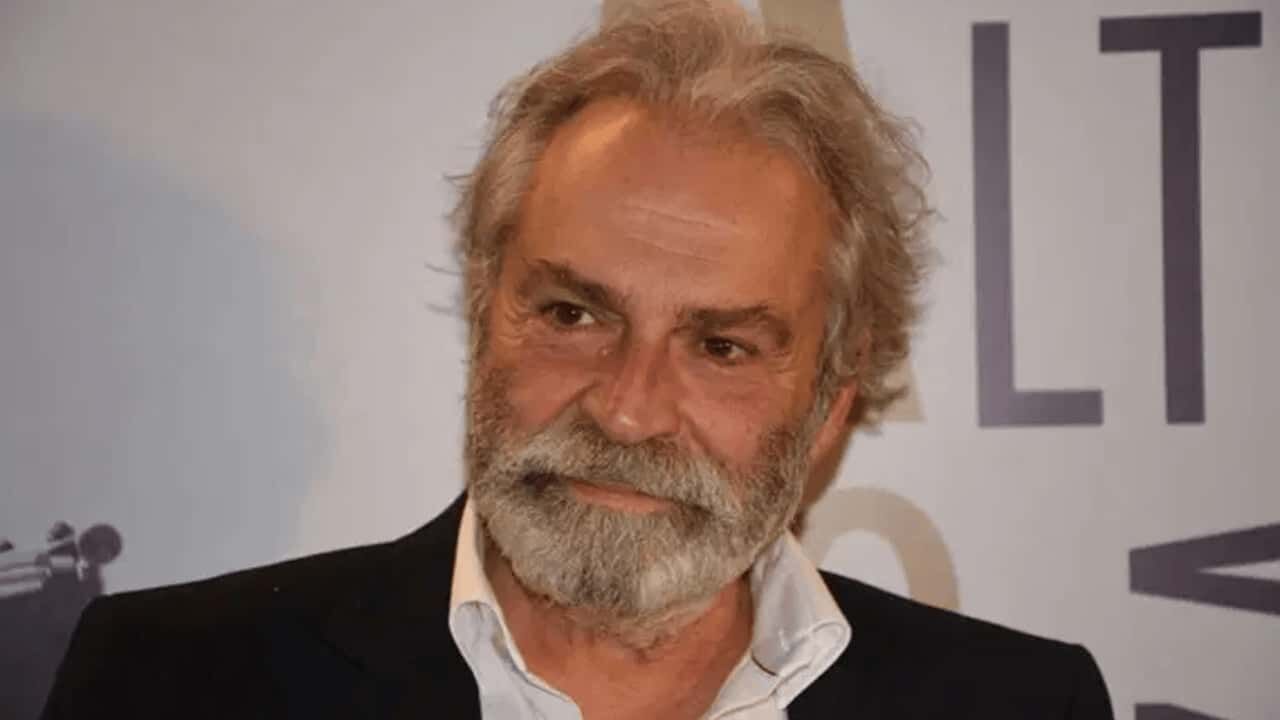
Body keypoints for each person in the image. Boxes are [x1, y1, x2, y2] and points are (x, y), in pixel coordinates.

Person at [41, 2, 1113, 718]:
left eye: (721, 346)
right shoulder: (171, 680)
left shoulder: (1018, 706)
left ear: (831, 403)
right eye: (572, 314)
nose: (629, 409)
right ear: (484, 316)